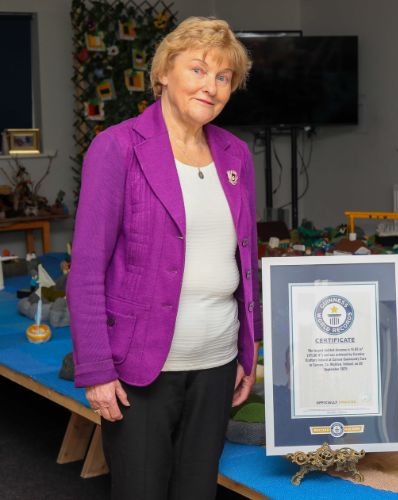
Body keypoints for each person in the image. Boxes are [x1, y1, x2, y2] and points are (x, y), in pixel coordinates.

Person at [67, 17, 260, 499]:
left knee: (198, 491)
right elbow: (86, 270)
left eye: (223, 77)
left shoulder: (236, 155)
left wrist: (247, 349)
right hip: (140, 369)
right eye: (198, 70)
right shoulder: (117, 148)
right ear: (163, 74)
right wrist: (96, 370)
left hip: (217, 364)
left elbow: (245, 260)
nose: (211, 86)